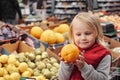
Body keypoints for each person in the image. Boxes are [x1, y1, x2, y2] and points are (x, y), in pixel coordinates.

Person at [58, 12, 111, 80]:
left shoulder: (103, 54)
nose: (83, 38)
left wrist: (83, 67)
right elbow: (62, 78)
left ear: (96, 33)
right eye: (78, 34)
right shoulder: (69, 51)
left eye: (87, 33)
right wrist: (66, 64)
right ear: (73, 35)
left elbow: (102, 78)